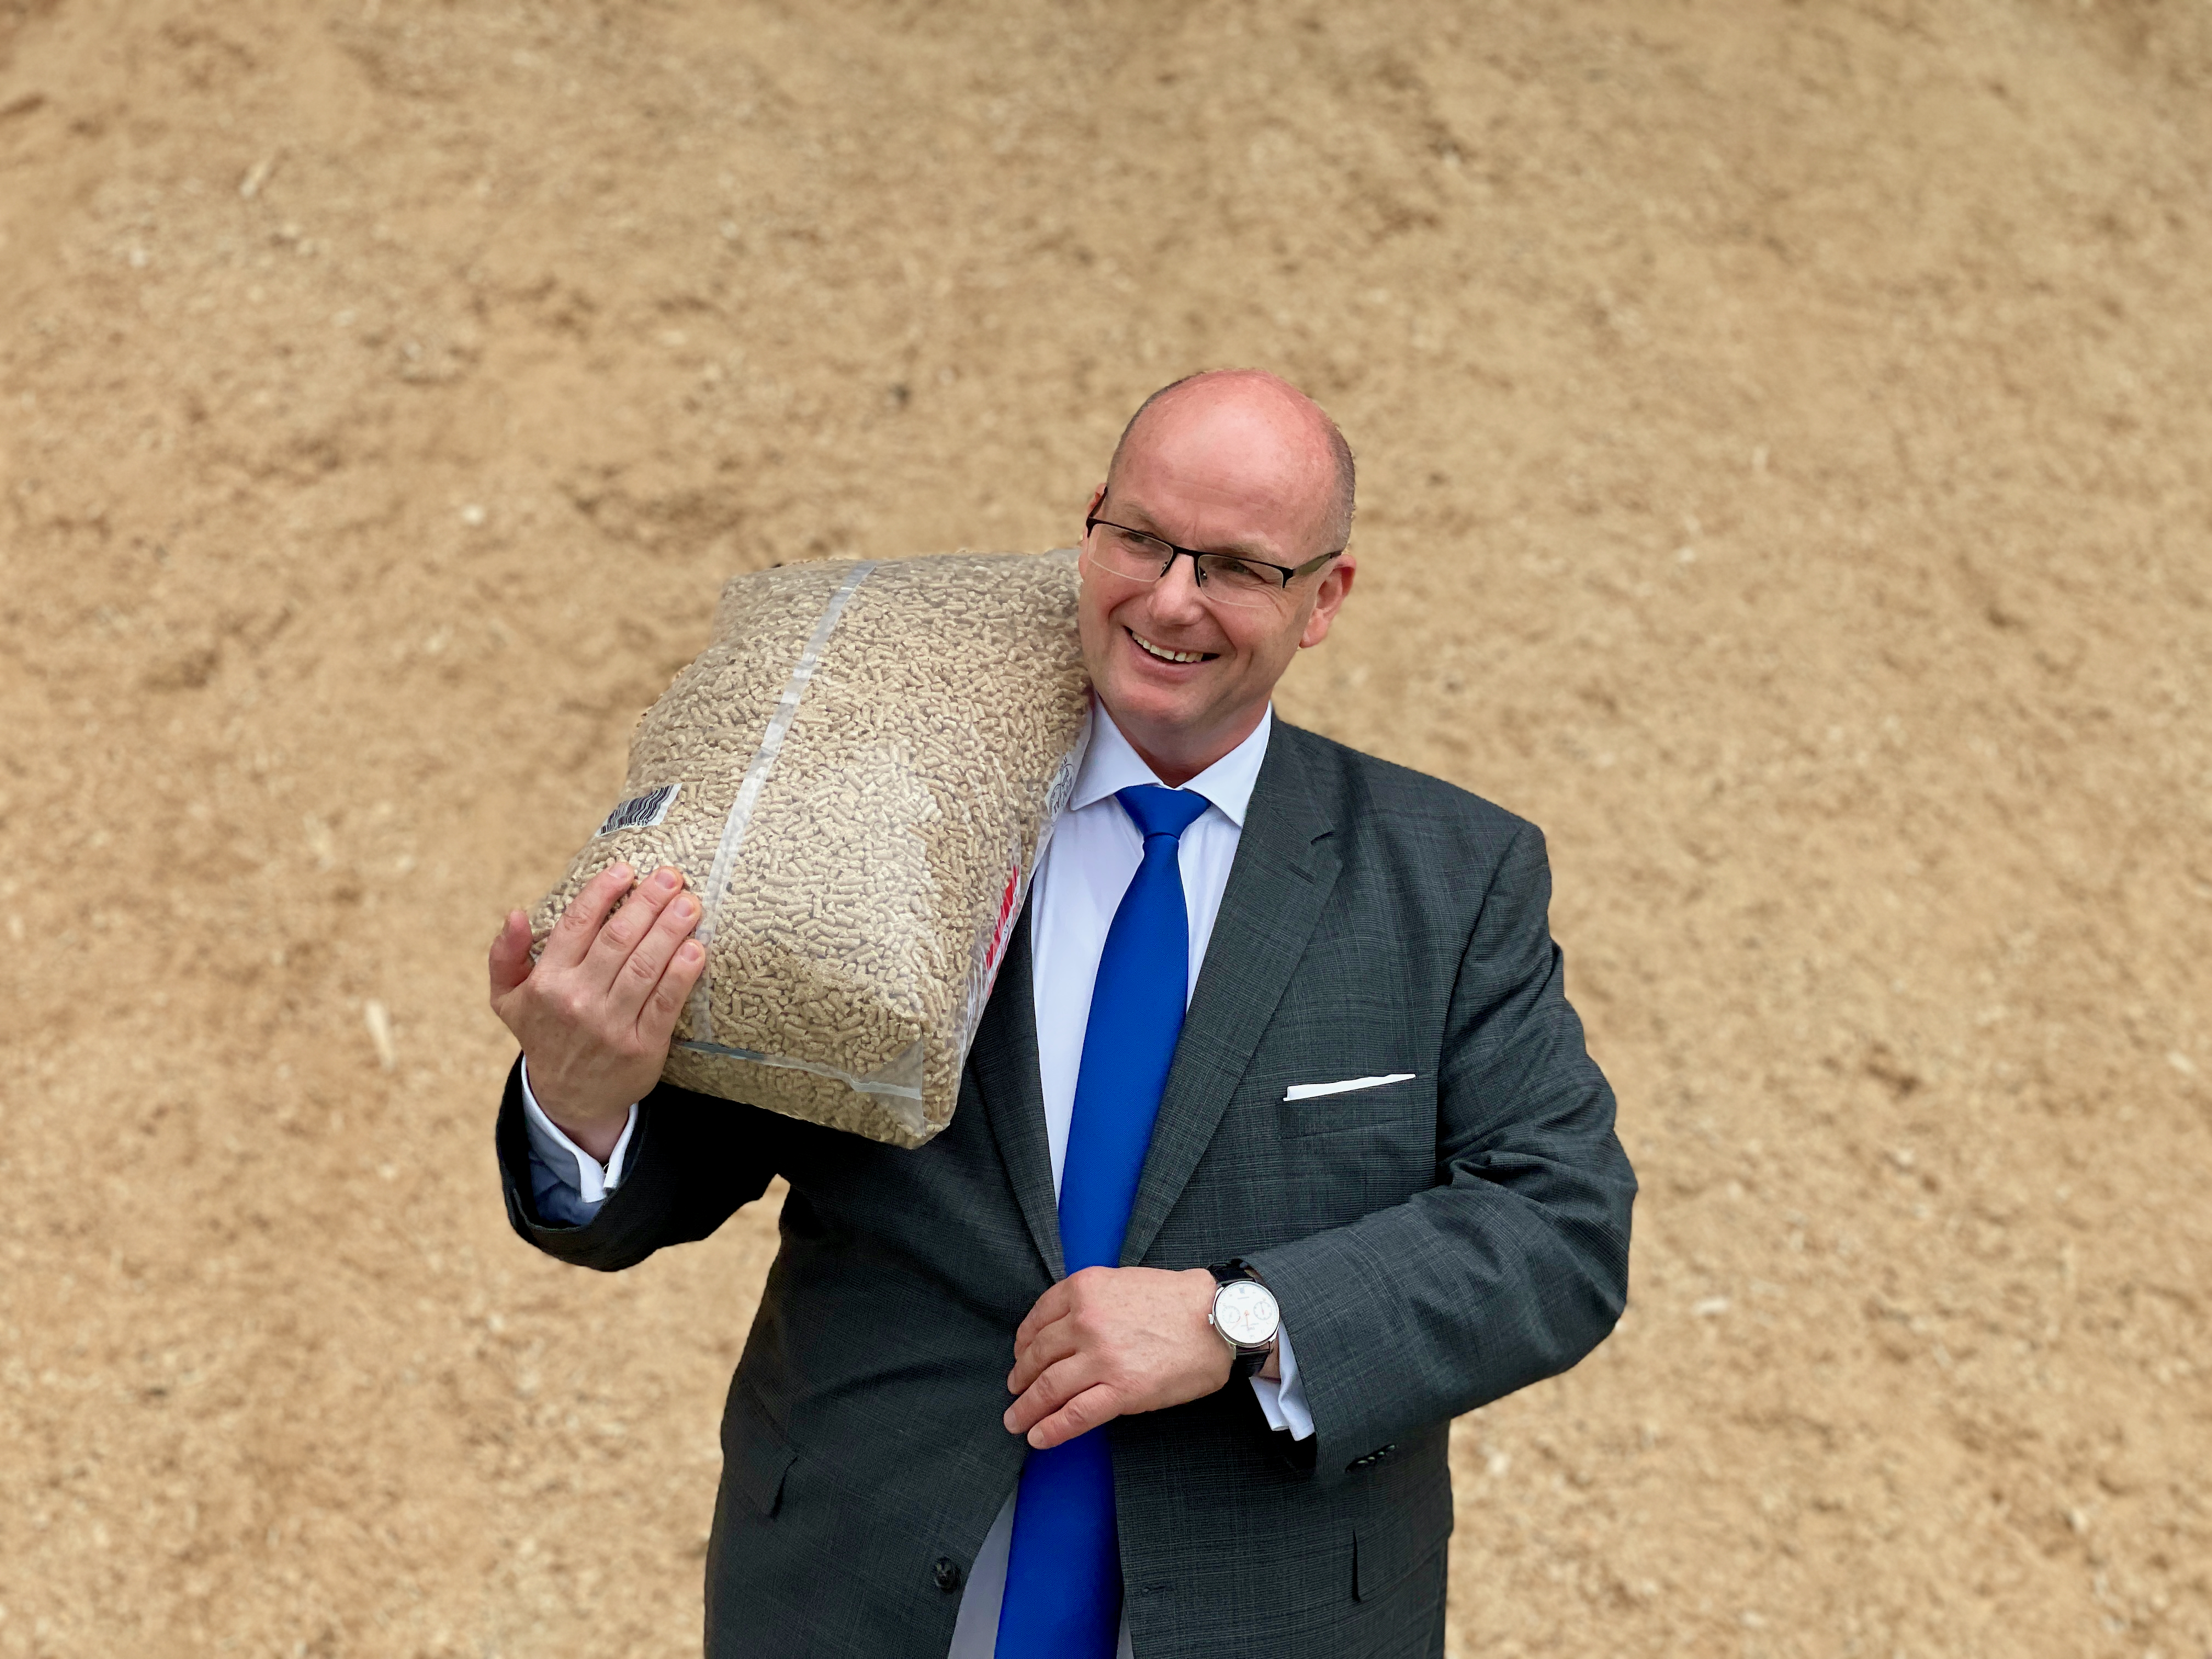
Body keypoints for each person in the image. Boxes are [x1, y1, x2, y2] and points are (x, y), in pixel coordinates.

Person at [484, 369, 1636, 1658]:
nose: (1170, 599)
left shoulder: (1451, 876)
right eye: (1140, 537)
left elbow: (1561, 1226)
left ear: (1328, 599)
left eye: (1240, 567)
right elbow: (671, 1178)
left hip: (1267, 1613)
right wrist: (583, 1096)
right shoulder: (876, 806)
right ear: (1090, 523)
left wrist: (1239, 1320)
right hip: (852, 1596)